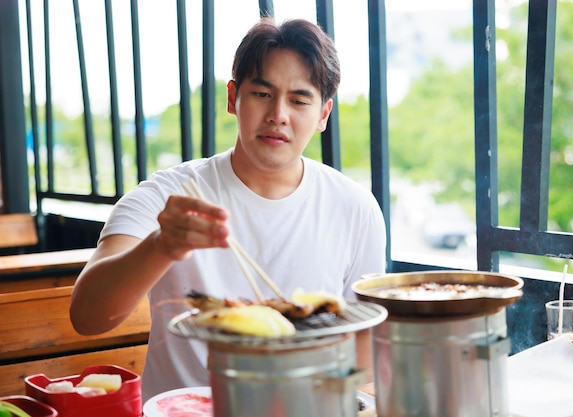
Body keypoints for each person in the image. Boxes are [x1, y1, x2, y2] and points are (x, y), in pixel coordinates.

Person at [69, 17, 387, 400]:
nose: (278, 115)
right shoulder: (169, 195)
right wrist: (162, 246)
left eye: (299, 100)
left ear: (323, 114)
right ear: (233, 97)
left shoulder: (354, 207)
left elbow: (363, 345)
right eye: (262, 94)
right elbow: (87, 316)